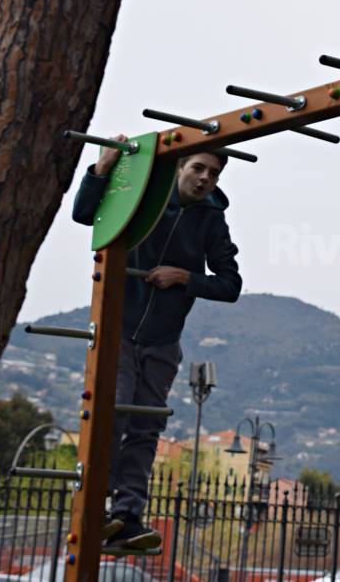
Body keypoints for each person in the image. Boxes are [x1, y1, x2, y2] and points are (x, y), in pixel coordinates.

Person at [73, 142, 243, 549]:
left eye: (214, 174)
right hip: (120, 326)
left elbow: (230, 285)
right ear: (181, 167)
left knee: (147, 427)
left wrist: (184, 277)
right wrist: (100, 171)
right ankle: (96, 506)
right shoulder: (146, 199)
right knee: (112, 417)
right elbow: (85, 215)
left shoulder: (212, 220)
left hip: (164, 339)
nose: (205, 179)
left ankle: (127, 515)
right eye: (199, 168)